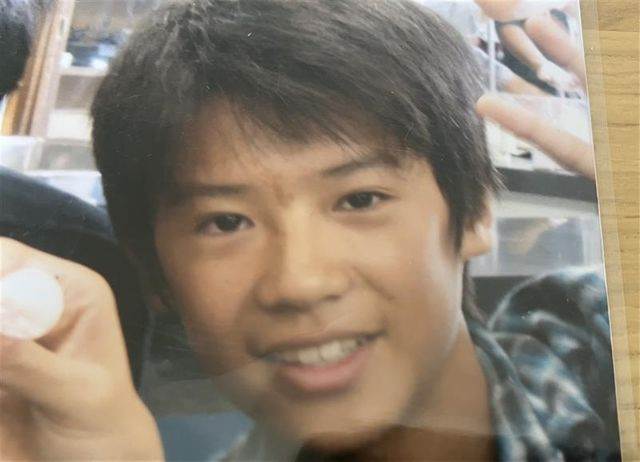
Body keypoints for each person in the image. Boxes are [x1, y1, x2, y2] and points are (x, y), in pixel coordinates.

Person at [0, 0, 617, 460]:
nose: (300, 282)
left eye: (359, 199)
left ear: (476, 210)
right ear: (154, 273)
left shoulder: (598, 351)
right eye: (224, 222)